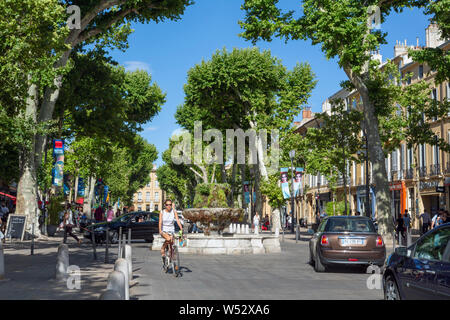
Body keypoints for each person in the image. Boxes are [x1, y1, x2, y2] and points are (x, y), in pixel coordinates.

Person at [159, 199, 183, 265]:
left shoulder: (174, 211)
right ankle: (163, 248)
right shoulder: (162, 212)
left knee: (172, 244)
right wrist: (160, 230)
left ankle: (172, 260)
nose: (169, 206)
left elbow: (177, 220)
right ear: (165, 205)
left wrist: (181, 228)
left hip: (171, 230)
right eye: (167, 205)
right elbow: (160, 222)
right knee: (168, 239)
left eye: (170, 204)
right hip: (164, 230)